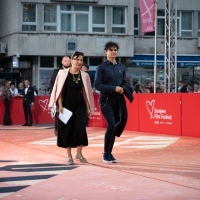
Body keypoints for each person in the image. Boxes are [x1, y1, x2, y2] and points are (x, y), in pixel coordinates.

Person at [49, 51, 94, 165]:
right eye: (77, 59)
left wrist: (88, 107)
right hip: (66, 106)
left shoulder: (84, 75)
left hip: (80, 106)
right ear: (72, 60)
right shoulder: (62, 73)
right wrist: (59, 105)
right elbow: (59, 91)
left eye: (81, 60)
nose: (79, 62)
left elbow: (86, 93)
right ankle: (69, 156)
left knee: (80, 129)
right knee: (67, 130)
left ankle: (79, 153)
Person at [94, 41, 132, 163]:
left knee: (116, 126)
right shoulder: (101, 67)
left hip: (119, 101)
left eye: (115, 49)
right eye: (111, 50)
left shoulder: (121, 67)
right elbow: (97, 85)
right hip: (106, 101)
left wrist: (124, 89)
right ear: (106, 52)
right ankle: (105, 153)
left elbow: (125, 82)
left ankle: (110, 153)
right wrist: (113, 88)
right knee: (111, 125)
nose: (113, 52)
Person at [49, 55, 71, 136]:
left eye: (68, 61)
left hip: (69, 95)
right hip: (59, 95)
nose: (67, 62)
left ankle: (68, 130)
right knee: (58, 113)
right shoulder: (56, 71)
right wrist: (52, 95)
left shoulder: (73, 70)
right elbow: (52, 83)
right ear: (62, 62)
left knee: (69, 113)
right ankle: (57, 129)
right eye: (65, 61)